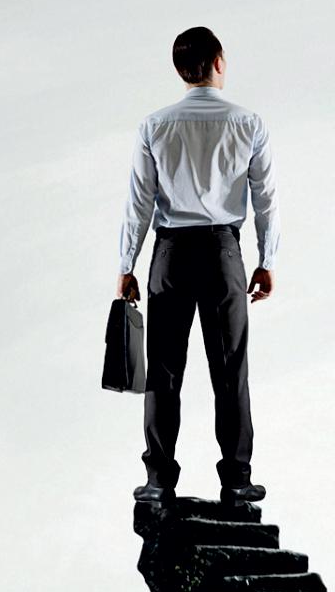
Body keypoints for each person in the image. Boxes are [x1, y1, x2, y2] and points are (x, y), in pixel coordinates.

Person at [117, 26, 277, 505]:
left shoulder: (154, 126)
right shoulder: (249, 124)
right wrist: (267, 260)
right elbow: (265, 199)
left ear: (180, 70)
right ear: (219, 62)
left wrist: (126, 264)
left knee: (163, 373)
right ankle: (237, 480)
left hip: (169, 255)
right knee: (230, 372)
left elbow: (139, 203)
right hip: (223, 253)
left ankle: (158, 480)